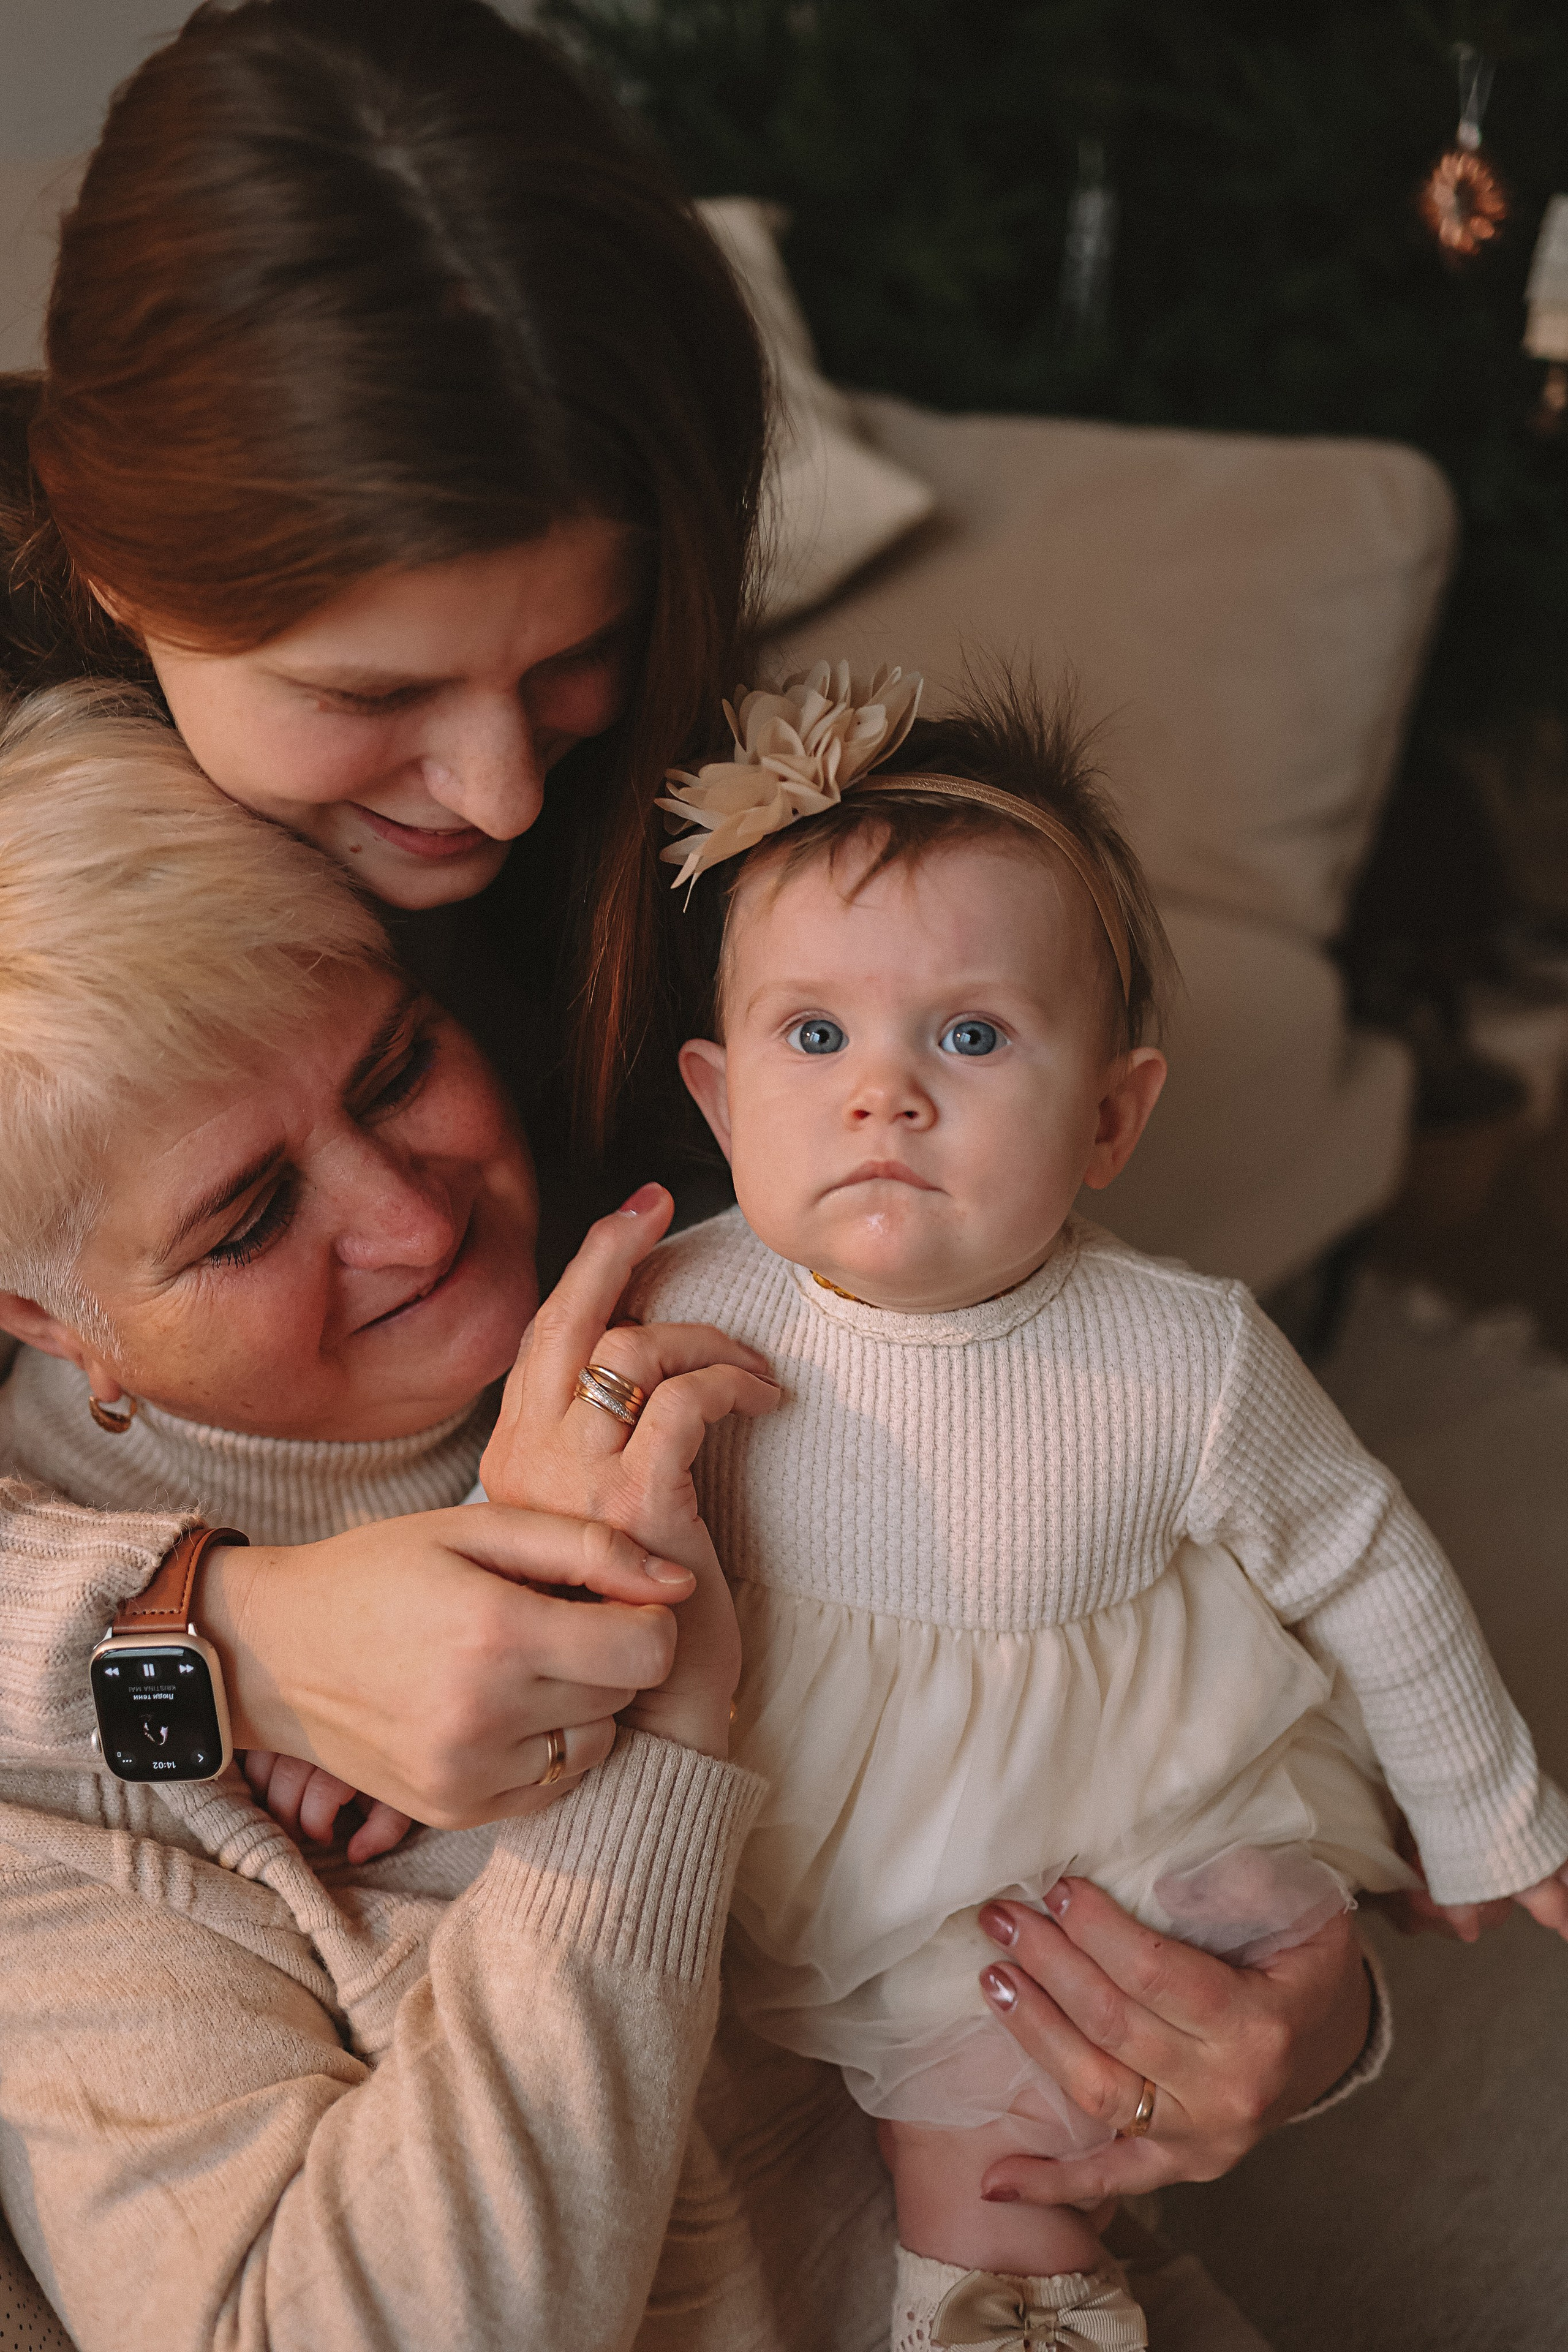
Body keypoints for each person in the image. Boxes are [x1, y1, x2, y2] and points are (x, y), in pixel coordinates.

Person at [0, 0, 1392, 2278]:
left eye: (576, 658)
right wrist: (215, 1633)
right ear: (110, 560)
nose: (500, 798)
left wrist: (1296, 1992)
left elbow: (1061, 1506)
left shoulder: (699, 877)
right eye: (366, 698)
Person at [622, 660, 1568, 2348]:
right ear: (716, 1095)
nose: (883, 1091)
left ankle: (1016, 2310)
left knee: (1003, 2130)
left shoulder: (1179, 1355)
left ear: (1113, 1116)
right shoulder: (691, 1298)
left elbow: (1362, 1557)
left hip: (1075, 1838)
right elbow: (549, 1498)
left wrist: (1483, 1798)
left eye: (970, 1037)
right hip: (789, 1795)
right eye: (814, 1034)